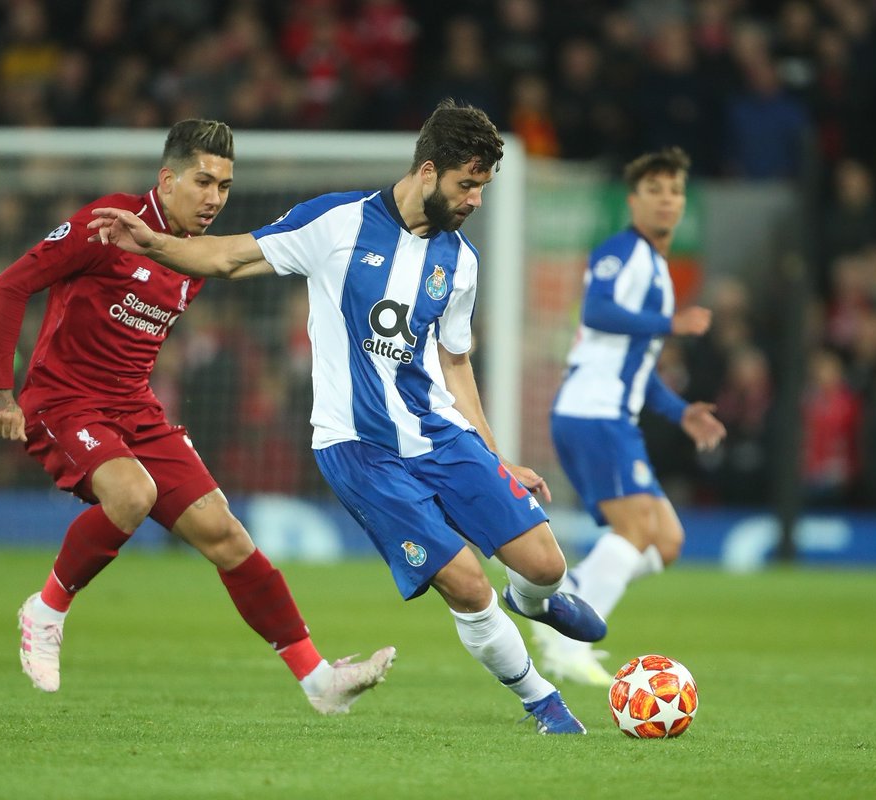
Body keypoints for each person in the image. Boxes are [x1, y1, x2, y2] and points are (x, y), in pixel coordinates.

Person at [88, 99, 607, 735]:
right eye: (467, 184)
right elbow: (229, 257)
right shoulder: (337, 223)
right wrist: (155, 243)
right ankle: (541, 700)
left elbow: (456, 366)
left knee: (546, 565)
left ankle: (536, 601)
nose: (475, 199)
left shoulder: (460, 262)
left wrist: (495, 456)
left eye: (483, 186)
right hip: (359, 450)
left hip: (438, 433)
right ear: (426, 171)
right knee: (468, 584)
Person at [0, 119, 394, 714]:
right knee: (131, 494)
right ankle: (45, 610)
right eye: (203, 182)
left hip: (134, 408)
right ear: (167, 178)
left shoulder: (196, 258)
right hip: (63, 399)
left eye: (224, 186)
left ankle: (319, 682)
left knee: (225, 535)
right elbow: (10, 285)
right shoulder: (109, 222)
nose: (214, 198)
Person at [543, 147, 727, 685]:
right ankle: (565, 640)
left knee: (665, 540)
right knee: (637, 528)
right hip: (591, 411)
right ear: (633, 200)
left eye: (674, 190)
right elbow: (597, 310)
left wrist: (679, 411)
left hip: (611, 416)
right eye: (655, 190)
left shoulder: (657, 268)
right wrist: (669, 322)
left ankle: (573, 588)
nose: (667, 200)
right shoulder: (620, 253)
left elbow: (638, 365)